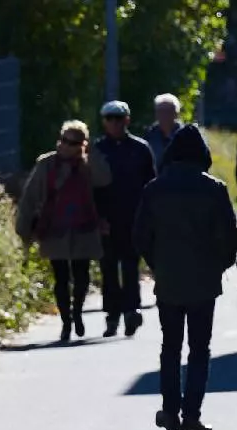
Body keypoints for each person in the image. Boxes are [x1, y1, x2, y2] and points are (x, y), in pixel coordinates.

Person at [133, 125, 237, 430]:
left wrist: (157, 264)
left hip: (168, 279)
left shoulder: (154, 189)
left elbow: (140, 236)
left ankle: (170, 409)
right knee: (199, 349)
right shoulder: (214, 189)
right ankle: (192, 416)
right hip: (204, 280)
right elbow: (229, 235)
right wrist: (219, 265)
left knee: (170, 346)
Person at [17, 120, 112, 341]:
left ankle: (77, 311)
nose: (67, 146)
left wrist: (91, 155)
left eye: (73, 143)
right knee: (60, 277)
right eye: (64, 140)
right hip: (55, 228)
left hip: (84, 227)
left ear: (82, 145)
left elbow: (105, 178)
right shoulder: (47, 164)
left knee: (81, 275)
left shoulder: (88, 166)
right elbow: (30, 196)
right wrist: (23, 227)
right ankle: (66, 321)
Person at [95, 100, 157, 337]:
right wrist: (98, 217)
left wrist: (150, 217)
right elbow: (90, 188)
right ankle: (112, 316)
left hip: (134, 218)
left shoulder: (140, 148)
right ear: (104, 122)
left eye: (118, 118)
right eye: (110, 119)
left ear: (127, 120)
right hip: (106, 220)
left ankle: (132, 311)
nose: (114, 123)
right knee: (108, 268)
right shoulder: (97, 150)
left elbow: (151, 184)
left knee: (131, 266)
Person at [143, 93, 184, 172]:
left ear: (176, 113)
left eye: (168, 111)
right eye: (160, 111)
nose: (164, 115)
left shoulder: (185, 135)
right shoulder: (150, 135)